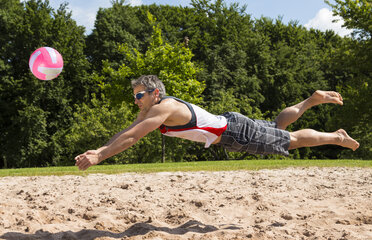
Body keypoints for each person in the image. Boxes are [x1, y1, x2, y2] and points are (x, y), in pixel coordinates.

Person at [75, 75, 359, 171]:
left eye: (139, 94)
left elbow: (133, 138)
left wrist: (101, 156)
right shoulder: (151, 110)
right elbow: (126, 132)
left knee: (291, 140)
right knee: (276, 126)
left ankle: (336, 136)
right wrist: (98, 150)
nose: (136, 99)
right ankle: (311, 100)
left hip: (233, 131)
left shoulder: (163, 108)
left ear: (154, 93)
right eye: (134, 95)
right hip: (232, 127)